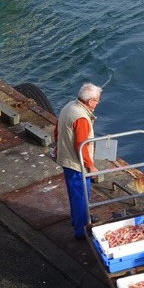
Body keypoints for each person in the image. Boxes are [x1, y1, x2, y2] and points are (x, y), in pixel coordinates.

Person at [54, 83, 102, 240]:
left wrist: (57, 146)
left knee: (74, 194)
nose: (97, 104)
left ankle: (77, 219)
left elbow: (57, 129)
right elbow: (81, 145)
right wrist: (90, 166)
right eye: (97, 100)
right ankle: (82, 231)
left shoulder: (69, 106)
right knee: (82, 196)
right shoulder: (81, 117)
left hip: (65, 158)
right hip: (76, 164)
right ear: (90, 102)